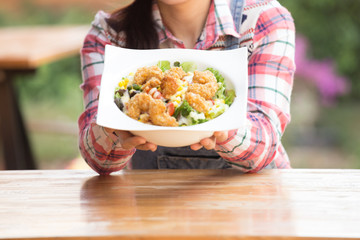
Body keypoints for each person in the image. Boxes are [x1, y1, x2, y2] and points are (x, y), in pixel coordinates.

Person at [78, 0, 295, 175]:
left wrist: (220, 125)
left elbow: (263, 148)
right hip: (153, 208)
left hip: (256, 207)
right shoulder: (109, 35)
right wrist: (113, 127)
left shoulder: (262, 20)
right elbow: (97, 160)